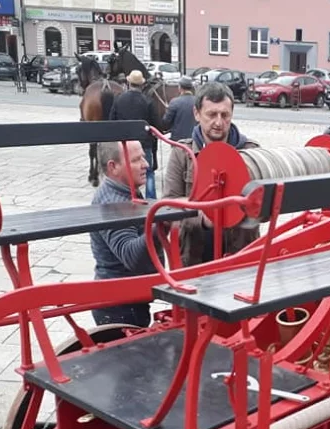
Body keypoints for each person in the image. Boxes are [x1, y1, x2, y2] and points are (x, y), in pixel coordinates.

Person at [162, 81, 260, 267]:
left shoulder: (251, 152)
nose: (218, 122)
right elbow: (169, 206)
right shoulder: (182, 154)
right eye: (211, 114)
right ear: (196, 114)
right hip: (194, 255)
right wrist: (204, 217)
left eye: (225, 115)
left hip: (240, 254)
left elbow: (263, 203)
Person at [88, 140, 164, 328]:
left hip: (126, 301)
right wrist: (162, 226)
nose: (146, 164)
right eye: (137, 160)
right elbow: (132, 256)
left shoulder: (125, 193)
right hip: (120, 307)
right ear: (113, 167)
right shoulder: (113, 204)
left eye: (144, 157)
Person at [109, 69, 160, 199]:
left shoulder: (119, 99)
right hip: (144, 144)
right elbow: (156, 124)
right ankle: (151, 200)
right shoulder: (148, 101)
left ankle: (127, 197)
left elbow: (111, 121)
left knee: (124, 173)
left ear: (128, 83)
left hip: (124, 144)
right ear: (142, 85)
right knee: (148, 173)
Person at [162, 76, 197, 140]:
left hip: (178, 142)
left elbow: (166, 122)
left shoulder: (174, 102)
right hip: (195, 140)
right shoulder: (198, 102)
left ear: (180, 88)